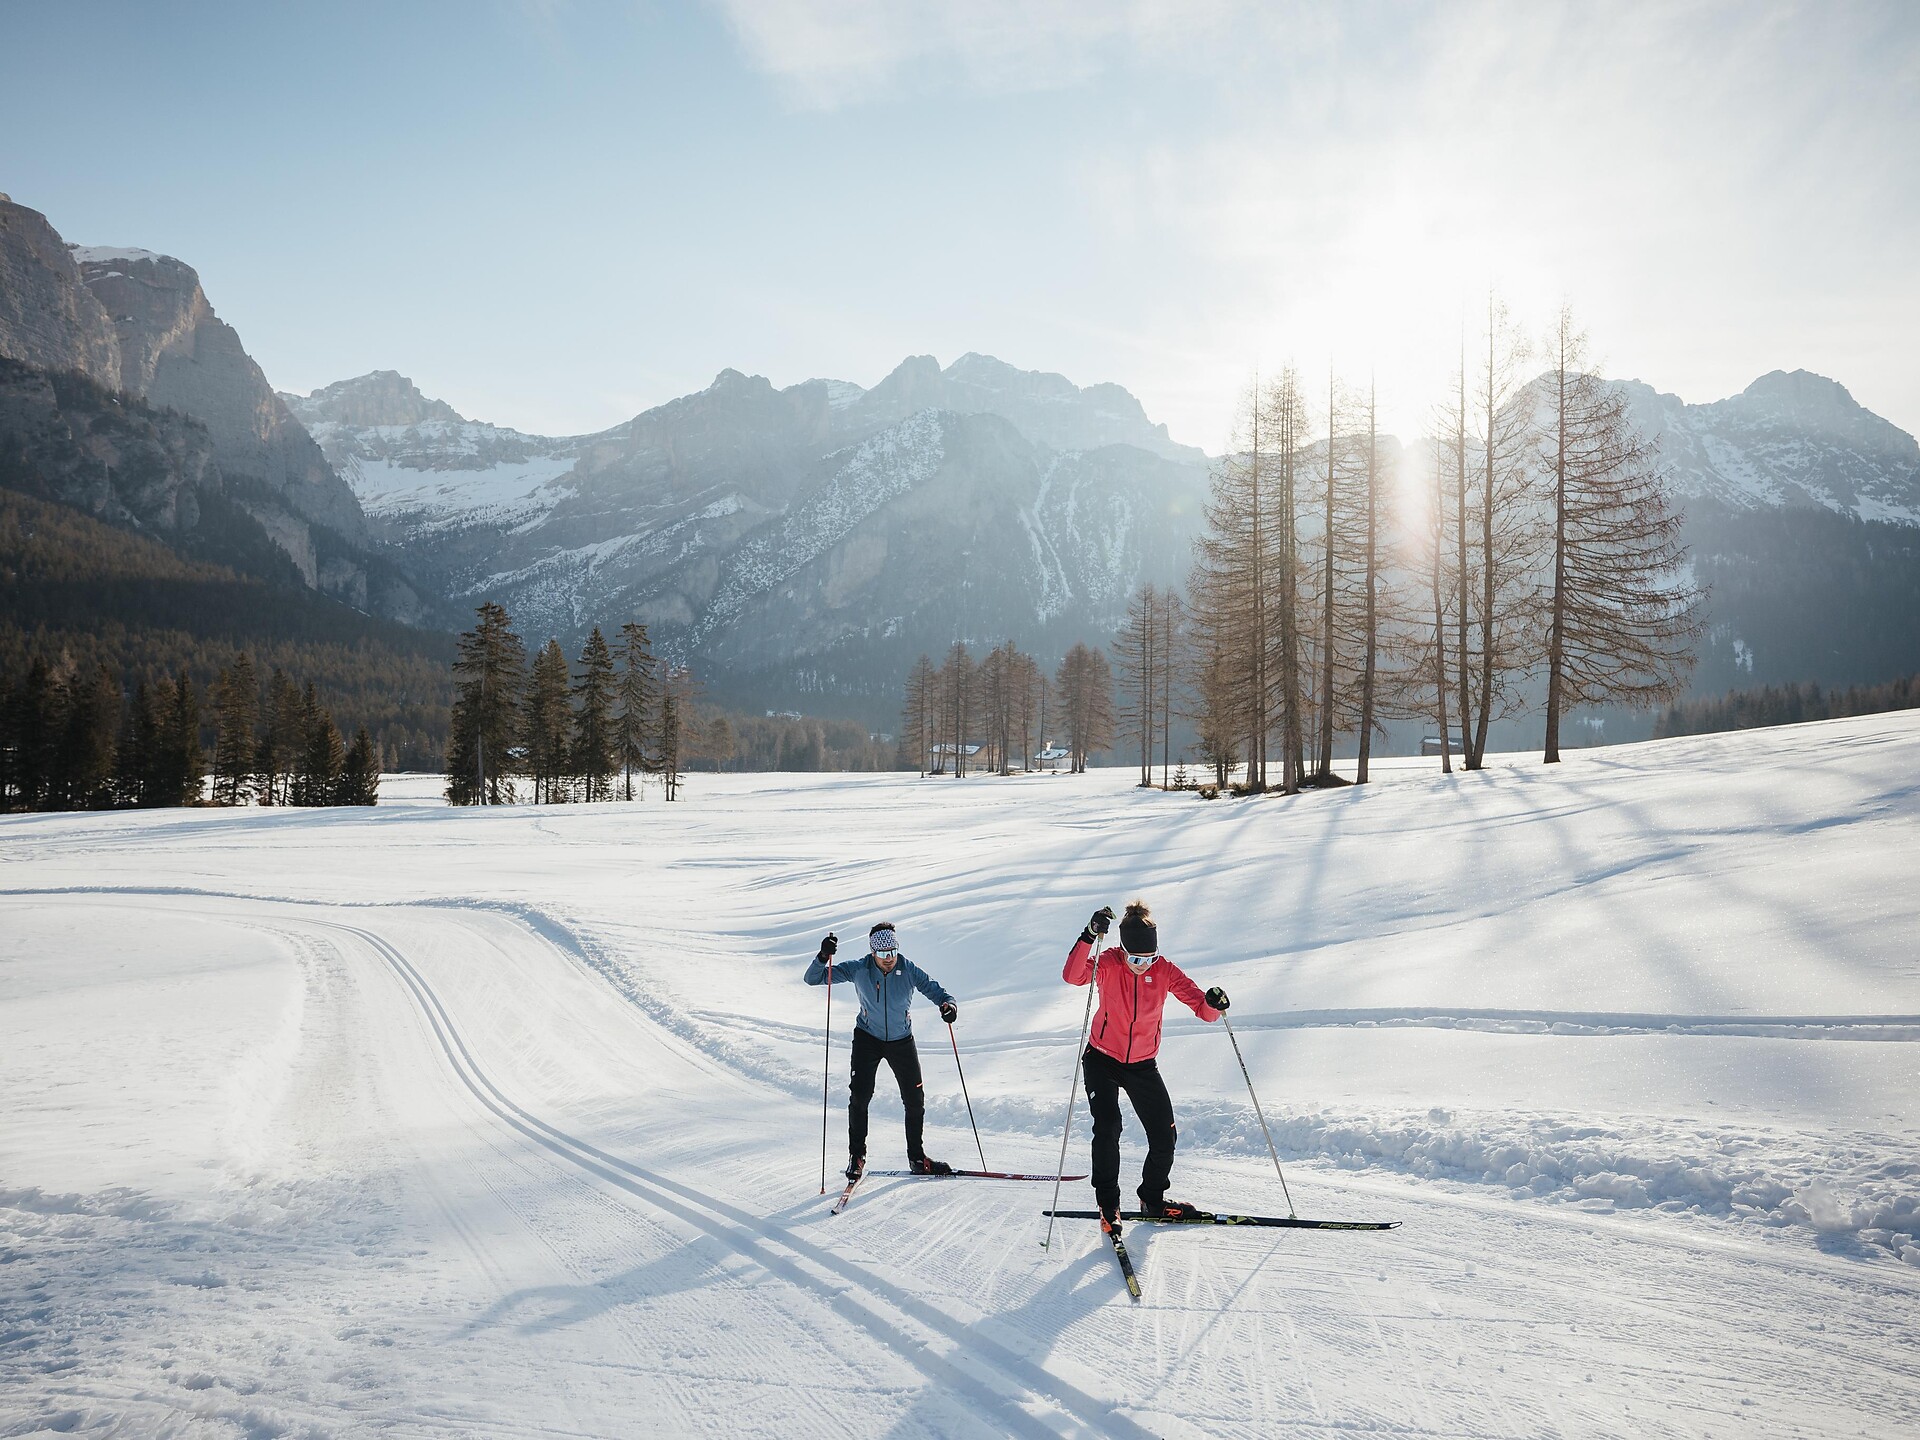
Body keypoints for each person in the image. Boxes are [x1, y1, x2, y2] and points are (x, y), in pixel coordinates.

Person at [1064, 900, 1230, 1231]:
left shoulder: (1164, 970)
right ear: (1122, 950)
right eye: (1136, 959)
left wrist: (1214, 1005)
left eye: (1148, 959)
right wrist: (1088, 936)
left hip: (1142, 1064)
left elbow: (1202, 1007)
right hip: (1102, 1059)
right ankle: (1108, 1206)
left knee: (1164, 1135)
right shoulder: (1110, 963)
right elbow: (1073, 976)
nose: (1142, 965)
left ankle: (1153, 1199)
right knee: (1108, 1127)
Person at [806, 922, 959, 1182]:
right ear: (873, 952)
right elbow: (814, 978)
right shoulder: (859, 968)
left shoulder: (908, 969)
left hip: (901, 1040)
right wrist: (823, 957)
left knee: (914, 1100)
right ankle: (856, 1157)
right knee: (860, 1097)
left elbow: (938, 992)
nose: (889, 959)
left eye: (893, 952)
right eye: (883, 954)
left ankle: (917, 1158)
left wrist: (949, 1006)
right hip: (868, 1038)